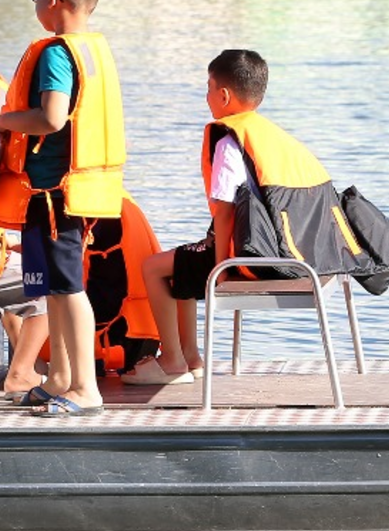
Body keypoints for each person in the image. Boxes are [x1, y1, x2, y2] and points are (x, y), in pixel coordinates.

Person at [124, 48, 337, 384]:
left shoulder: (228, 142)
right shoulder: (275, 137)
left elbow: (224, 214)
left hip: (247, 257)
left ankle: (174, 361)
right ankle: (191, 356)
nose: (206, 96)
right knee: (180, 264)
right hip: (291, 255)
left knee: (154, 266)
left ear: (223, 95)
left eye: (208, 88)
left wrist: (223, 268)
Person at [0, 0, 128, 417]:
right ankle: (61, 376)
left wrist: (3, 121)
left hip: (59, 193)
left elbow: (51, 117)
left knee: (68, 289)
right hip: (71, 191)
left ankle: (86, 388)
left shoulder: (58, 53)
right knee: (55, 288)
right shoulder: (93, 48)